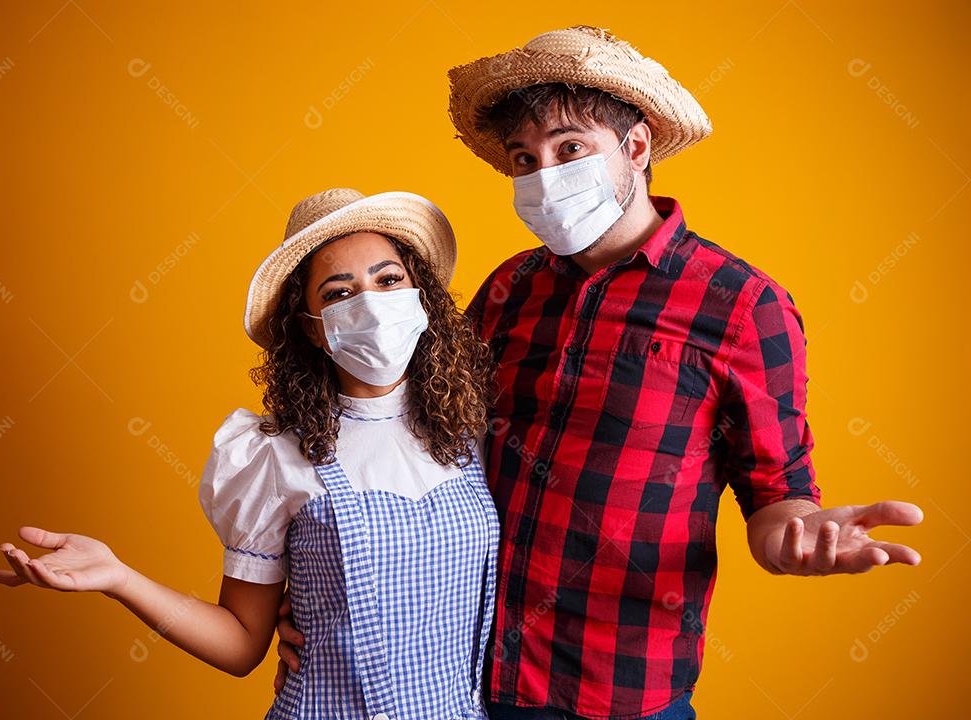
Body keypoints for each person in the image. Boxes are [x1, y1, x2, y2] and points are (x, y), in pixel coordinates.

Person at [274, 27, 924, 720]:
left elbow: (776, 495)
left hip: (617, 690)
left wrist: (797, 540)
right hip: (458, 678)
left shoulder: (740, 305)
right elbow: (409, 441)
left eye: (569, 148)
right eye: (524, 158)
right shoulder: (505, 292)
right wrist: (323, 588)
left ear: (636, 148)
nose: (542, 175)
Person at [0, 188, 502, 720]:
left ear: (419, 295)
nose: (370, 301)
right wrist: (120, 578)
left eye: (387, 280)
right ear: (312, 329)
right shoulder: (275, 455)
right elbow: (241, 643)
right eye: (339, 293)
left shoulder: (469, 429)